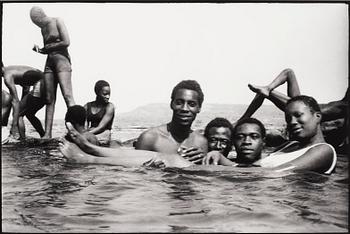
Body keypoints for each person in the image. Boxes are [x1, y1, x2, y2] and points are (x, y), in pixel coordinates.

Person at [205, 96, 337, 175]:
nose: (292, 122)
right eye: (288, 118)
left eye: (298, 115)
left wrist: (222, 162)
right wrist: (220, 157)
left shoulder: (324, 150)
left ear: (318, 116)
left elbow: (274, 173)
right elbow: (255, 167)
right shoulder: (292, 145)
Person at [239, 68, 348, 147]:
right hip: (304, 108)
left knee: (274, 85)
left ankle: (242, 120)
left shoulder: (342, 107)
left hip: (304, 109)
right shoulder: (342, 107)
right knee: (279, 80)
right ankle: (266, 90)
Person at [134, 80, 208, 164]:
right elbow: (137, 174)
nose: (184, 109)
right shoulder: (149, 138)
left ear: (199, 108)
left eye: (191, 104)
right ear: (171, 104)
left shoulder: (201, 142)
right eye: (179, 103)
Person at [30, 6, 75, 139]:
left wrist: (50, 46)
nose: (37, 24)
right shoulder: (43, 29)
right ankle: (47, 134)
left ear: (39, 16)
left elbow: (66, 42)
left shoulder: (57, 21)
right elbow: (47, 49)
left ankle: (76, 130)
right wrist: (41, 50)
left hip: (62, 59)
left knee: (67, 96)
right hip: (50, 62)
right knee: (49, 99)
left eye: (36, 21)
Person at [2, 64, 44, 139]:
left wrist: (13, 126)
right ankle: (43, 135)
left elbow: (15, 101)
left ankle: (22, 140)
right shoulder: (12, 69)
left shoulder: (7, 77)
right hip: (47, 81)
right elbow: (26, 87)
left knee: (18, 114)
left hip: (41, 83)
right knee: (29, 113)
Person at [84, 80, 115, 145]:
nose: (108, 97)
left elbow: (101, 127)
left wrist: (85, 135)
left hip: (103, 135)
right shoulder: (87, 106)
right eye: (105, 94)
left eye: (109, 94)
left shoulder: (110, 107)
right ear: (97, 92)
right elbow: (84, 126)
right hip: (90, 133)